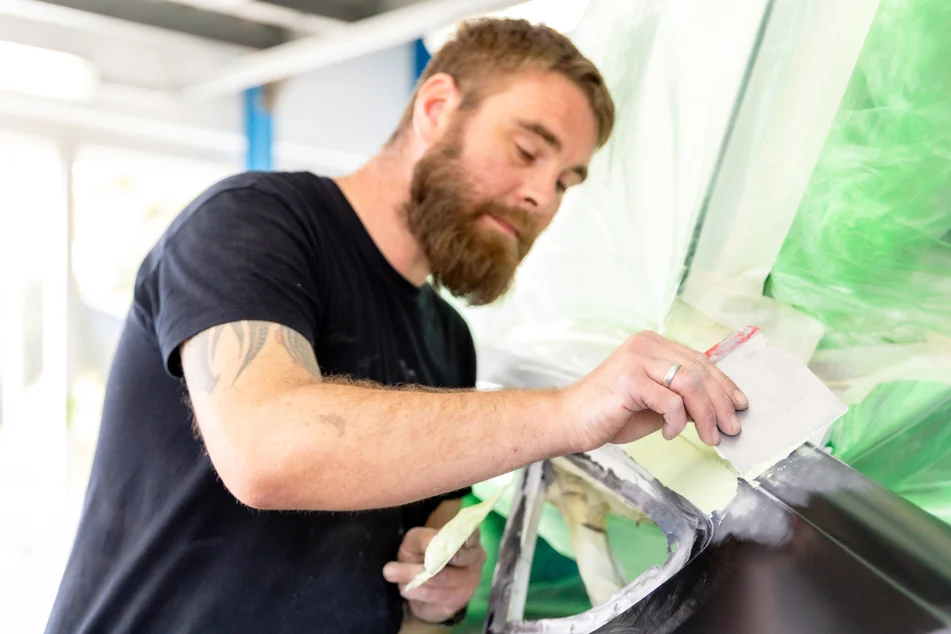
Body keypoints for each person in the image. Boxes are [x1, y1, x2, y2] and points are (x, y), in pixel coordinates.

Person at [46, 17, 747, 634]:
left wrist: (435, 592)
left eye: (565, 181)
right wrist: (571, 412)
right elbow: (269, 451)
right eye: (528, 150)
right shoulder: (253, 222)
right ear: (437, 107)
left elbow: (406, 590)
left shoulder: (447, 341)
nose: (540, 195)